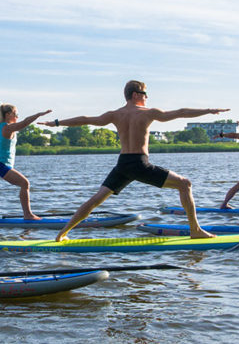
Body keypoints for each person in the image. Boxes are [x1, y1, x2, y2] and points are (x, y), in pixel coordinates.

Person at [39, 80, 228, 241]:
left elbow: (86, 119)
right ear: (136, 94)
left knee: (95, 200)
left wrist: (56, 123)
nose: (147, 97)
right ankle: (195, 230)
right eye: (145, 94)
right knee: (185, 184)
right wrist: (209, 110)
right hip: (139, 163)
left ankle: (63, 233)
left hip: (123, 164)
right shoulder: (147, 113)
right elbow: (180, 112)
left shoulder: (114, 114)